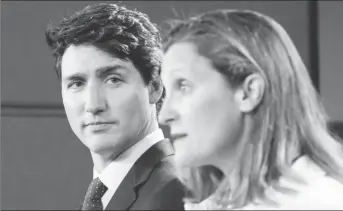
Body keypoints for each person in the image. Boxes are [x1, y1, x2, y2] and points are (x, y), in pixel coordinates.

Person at [159, 9, 343, 210]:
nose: (164, 116)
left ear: (249, 92)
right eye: (167, 92)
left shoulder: (321, 203)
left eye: (183, 86)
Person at [45, 3, 184, 210]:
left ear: (155, 87)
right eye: (76, 83)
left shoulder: (178, 193)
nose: (93, 104)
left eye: (113, 80)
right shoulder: (102, 196)